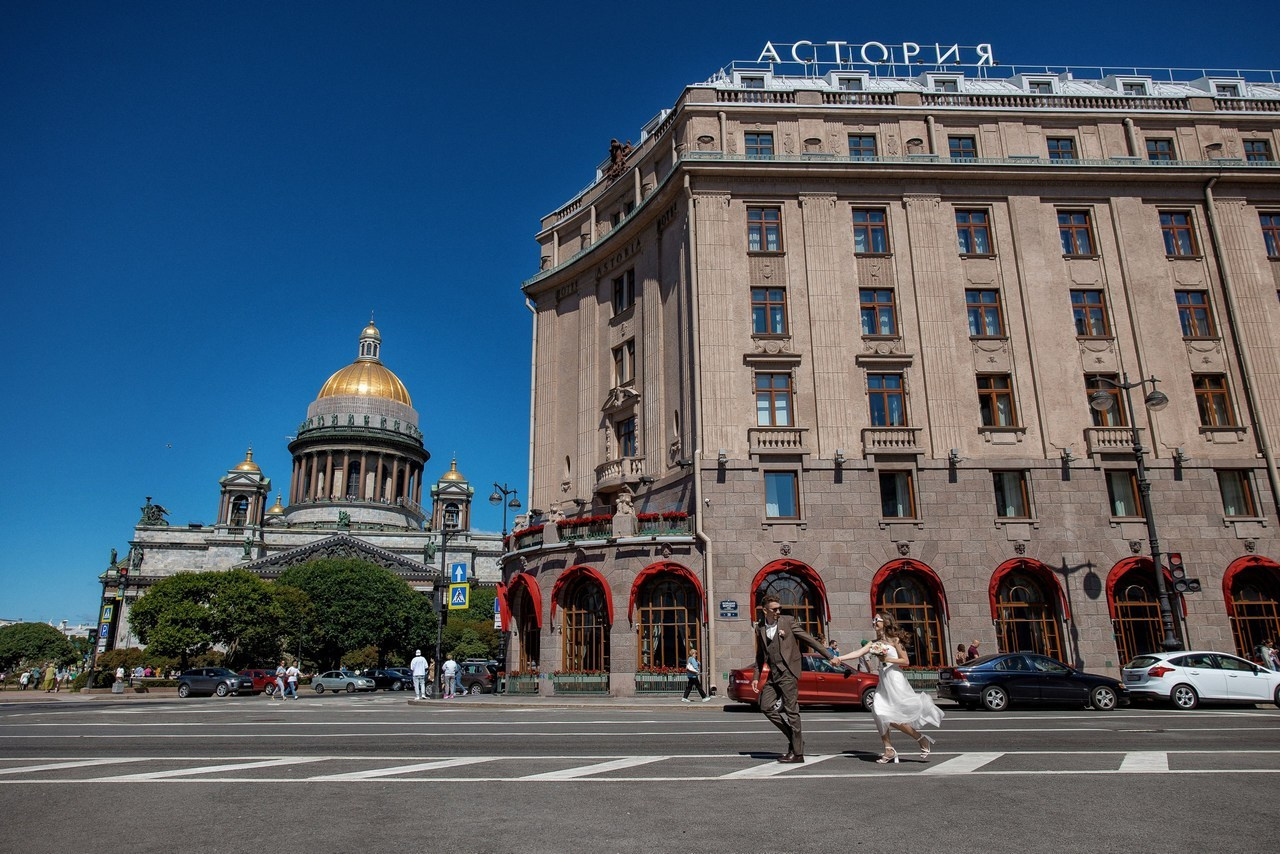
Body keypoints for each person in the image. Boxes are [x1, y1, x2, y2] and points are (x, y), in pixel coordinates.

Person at [835, 614, 944, 764]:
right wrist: (840, 658)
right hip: (884, 680)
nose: (874, 622)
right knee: (878, 712)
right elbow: (857, 653)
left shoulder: (895, 640)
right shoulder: (874, 643)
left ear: (885, 622)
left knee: (892, 716)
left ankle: (920, 738)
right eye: (873, 620)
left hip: (895, 679)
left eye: (877, 620)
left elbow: (905, 661)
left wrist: (887, 659)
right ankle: (889, 749)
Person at [750, 593, 840, 763]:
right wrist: (756, 676)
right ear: (765, 610)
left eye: (779, 608)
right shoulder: (760, 627)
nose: (778, 611)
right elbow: (760, 655)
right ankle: (794, 738)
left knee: (791, 711)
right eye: (774, 609)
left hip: (788, 672)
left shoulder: (788, 621)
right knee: (765, 706)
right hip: (773, 674)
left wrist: (829, 656)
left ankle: (797, 754)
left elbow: (809, 639)